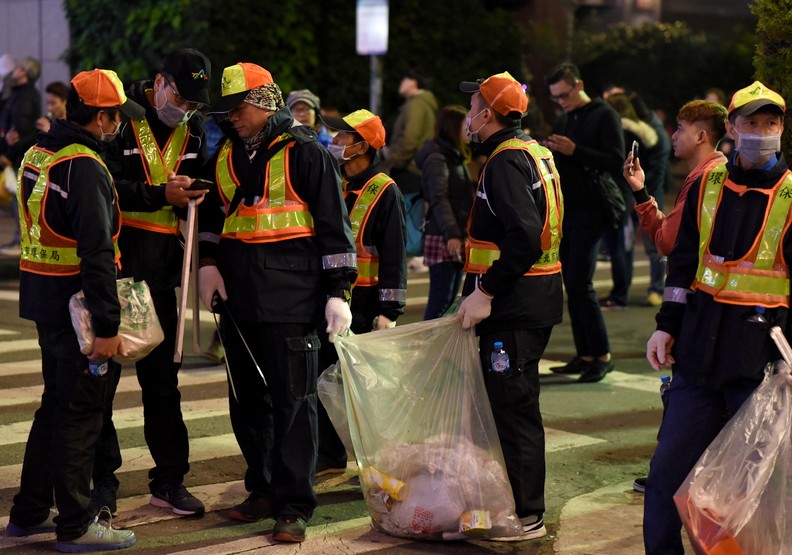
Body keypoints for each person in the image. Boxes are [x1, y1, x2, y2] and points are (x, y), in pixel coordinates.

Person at [197, 62, 357, 543]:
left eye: (238, 107)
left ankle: (293, 504)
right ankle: (262, 488)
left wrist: (339, 291)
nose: (231, 118)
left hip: (293, 301)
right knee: (248, 404)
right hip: (239, 302)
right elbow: (212, 217)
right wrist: (208, 263)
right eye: (225, 111)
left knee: (293, 405)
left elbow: (335, 228)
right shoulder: (226, 153)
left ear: (266, 101)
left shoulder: (306, 152)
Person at [643, 81, 791, 554]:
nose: (760, 132)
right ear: (730, 129)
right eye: (750, 123)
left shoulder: (791, 196)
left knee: (745, 495)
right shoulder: (708, 184)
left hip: (759, 367)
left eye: (770, 123)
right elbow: (683, 264)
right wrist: (667, 324)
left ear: (783, 130)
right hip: (697, 358)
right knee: (666, 476)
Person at [4, 68, 144, 552]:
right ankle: (77, 525)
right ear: (100, 115)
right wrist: (106, 327)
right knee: (81, 414)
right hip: (79, 310)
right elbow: (97, 254)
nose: (120, 125)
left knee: (55, 407)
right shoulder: (83, 166)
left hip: (44, 302)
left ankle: (28, 512)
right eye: (116, 117)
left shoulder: (40, 153)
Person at [94, 48, 212, 518]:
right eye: (180, 97)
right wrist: (157, 193)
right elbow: (102, 187)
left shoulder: (194, 131)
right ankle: (102, 483)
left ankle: (169, 481)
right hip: (118, 271)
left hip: (163, 275)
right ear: (160, 82)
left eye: (193, 104)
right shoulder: (120, 120)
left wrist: (192, 195)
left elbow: (199, 188)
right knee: (102, 385)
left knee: (163, 385)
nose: (184, 110)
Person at [456, 71, 563, 541]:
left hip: (515, 307)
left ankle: (527, 514)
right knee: (513, 406)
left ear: (490, 113)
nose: (468, 114)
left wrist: (487, 291)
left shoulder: (504, 161)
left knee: (515, 410)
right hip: (530, 301)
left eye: (474, 104)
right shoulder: (533, 151)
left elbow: (524, 235)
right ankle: (519, 506)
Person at [623, 99, 728, 495]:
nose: (673, 135)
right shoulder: (713, 175)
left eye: (681, 128)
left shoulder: (706, 178)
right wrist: (641, 191)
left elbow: (669, 242)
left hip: (702, 308)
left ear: (701, 135)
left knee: (689, 398)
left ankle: (676, 472)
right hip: (715, 308)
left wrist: (641, 196)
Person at [313, 108, 407, 474]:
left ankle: (376, 460)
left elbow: (395, 254)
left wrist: (390, 311)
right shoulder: (335, 183)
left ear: (363, 146)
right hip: (331, 301)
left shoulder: (385, 191)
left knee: (365, 391)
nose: (333, 142)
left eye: (341, 137)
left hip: (367, 306)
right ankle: (330, 454)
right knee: (325, 381)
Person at [544, 62, 624, 382]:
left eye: (564, 94)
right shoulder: (566, 118)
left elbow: (615, 161)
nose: (561, 101)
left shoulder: (605, 115)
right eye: (556, 97)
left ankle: (601, 354)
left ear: (578, 84)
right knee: (573, 285)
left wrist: (575, 150)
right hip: (568, 210)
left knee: (581, 283)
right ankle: (585, 353)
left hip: (592, 209)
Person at [599, 92, 658, 311]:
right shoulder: (643, 134)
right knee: (625, 248)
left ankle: (620, 296)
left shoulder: (618, 132)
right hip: (634, 194)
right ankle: (620, 293)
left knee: (620, 249)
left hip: (621, 196)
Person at [415, 105, 475, 319]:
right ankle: (429, 350)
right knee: (440, 302)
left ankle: (438, 351)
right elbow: (439, 199)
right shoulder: (438, 159)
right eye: (465, 124)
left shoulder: (453, 156)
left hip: (452, 234)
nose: (470, 128)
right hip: (443, 236)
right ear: (453, 128)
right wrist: (452, 233)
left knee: (448, 302)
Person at [0, 57, 41, 256]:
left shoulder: (25, 96)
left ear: (24, 72)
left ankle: (22, 241)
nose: (13, 70)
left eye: (17, 67)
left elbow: (20, 130)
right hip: (16, 155)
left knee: (20, 201)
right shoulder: (18, 94)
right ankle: (20, 240)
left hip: (19, 156)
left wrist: (8, 153)